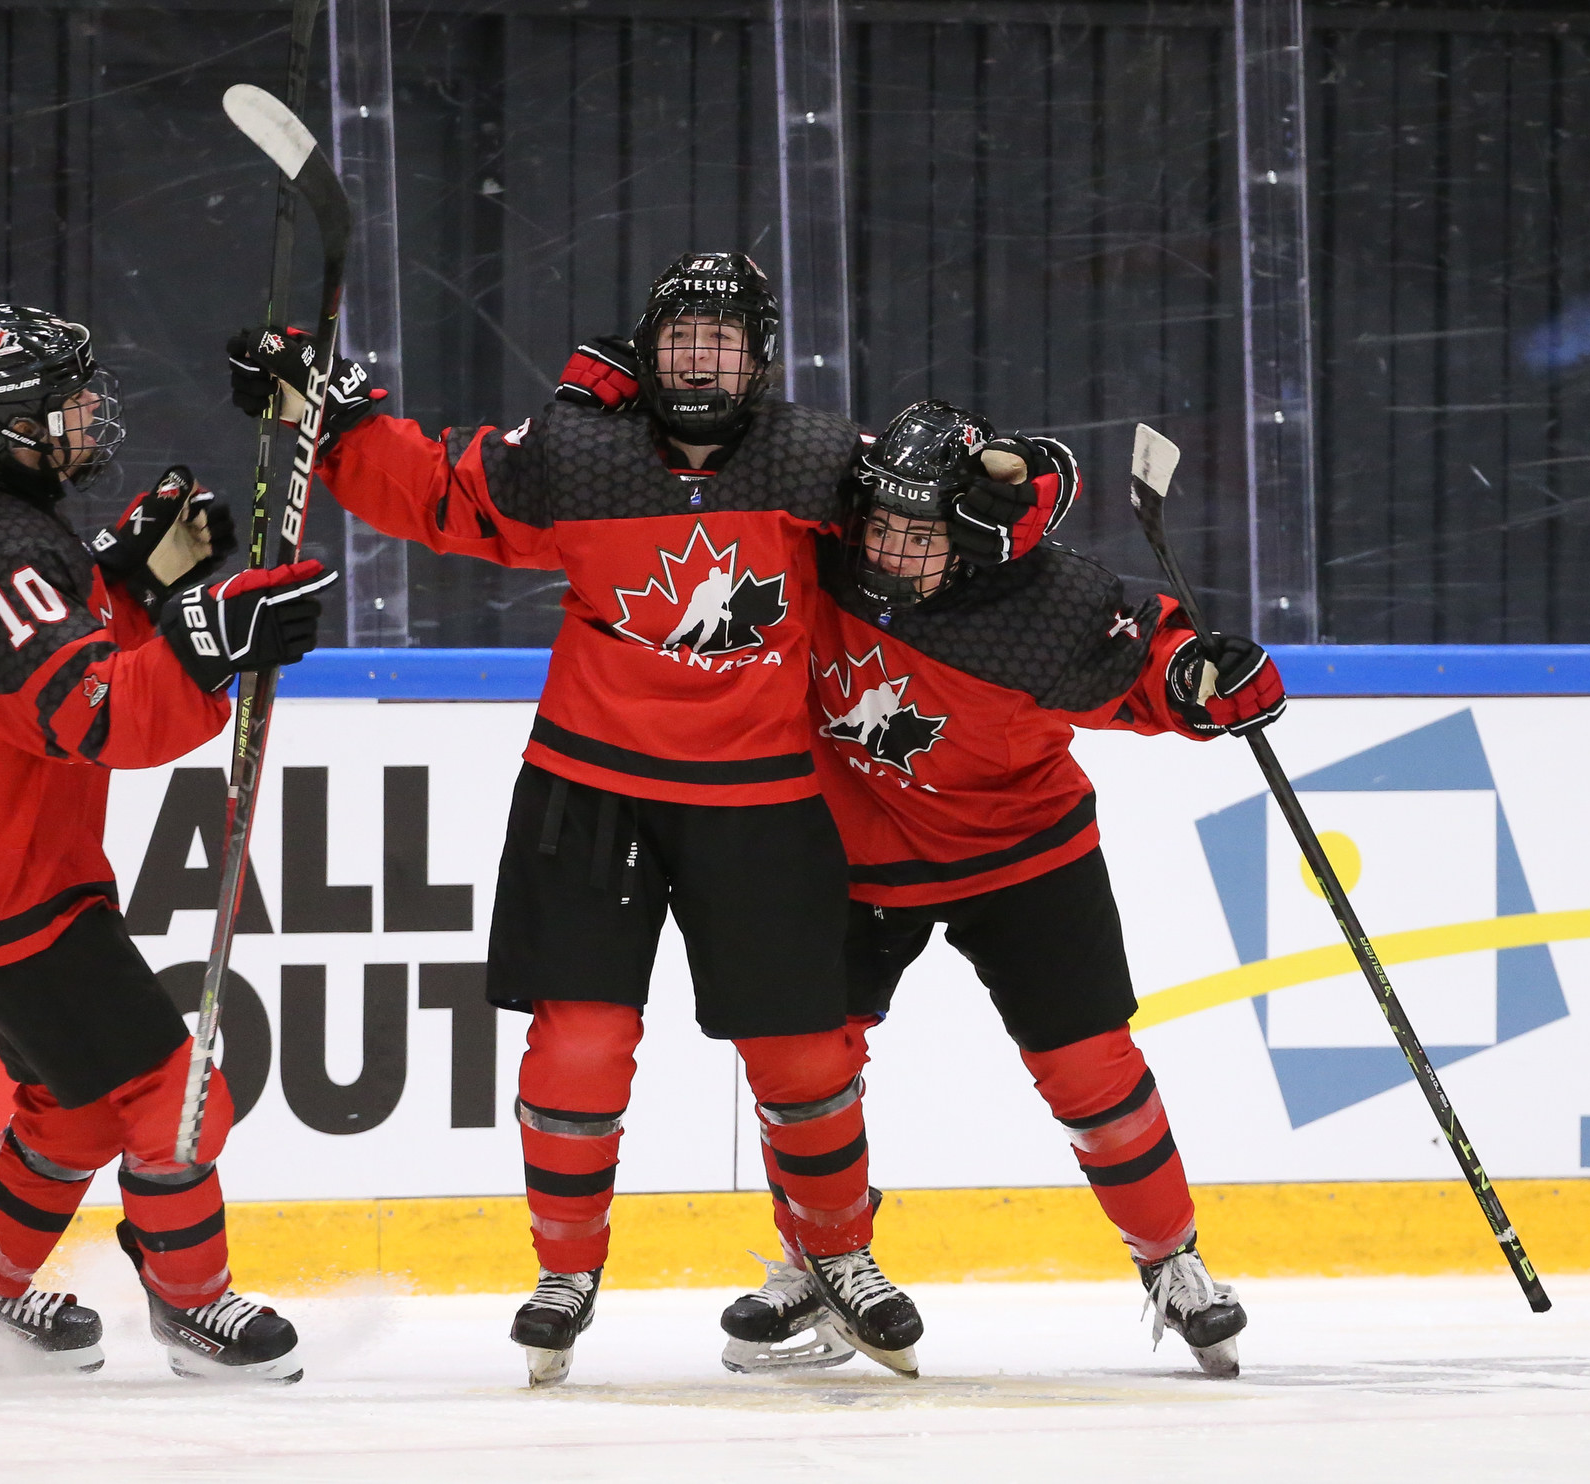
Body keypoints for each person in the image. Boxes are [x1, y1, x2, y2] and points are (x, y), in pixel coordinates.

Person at [227, 254, 922, 1384]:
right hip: (589, 786)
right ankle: (564, 1268)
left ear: (759, 356)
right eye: (681, 338)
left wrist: (1013, 492)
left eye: (723, 341)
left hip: (762, 793)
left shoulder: (821, 462)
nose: (699, 358)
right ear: (646, 353)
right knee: (579, 1047)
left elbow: (933, 539)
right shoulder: (577, 454)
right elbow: (440, 492)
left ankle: (840, 1254)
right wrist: (331, 414)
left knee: (802, 1051)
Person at [713, 399, 1278, 1378]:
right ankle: (818, 1256)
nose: (890, 551)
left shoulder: (1044, 603)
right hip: (854, 856)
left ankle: (1172, 1259)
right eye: (879, 525)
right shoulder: (814, 555)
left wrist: (1203, 679)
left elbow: (1148, 664)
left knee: (1089, 1069)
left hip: (1024, 853)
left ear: (970, 535)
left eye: (919, 533)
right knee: (807, 1068)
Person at [0, 303, 332, 1380]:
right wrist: (208, 639)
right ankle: (192, 1305)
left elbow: (64, 660)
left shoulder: (8, 523)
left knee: (77, 1101)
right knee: (172, 1090)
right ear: (15, 422)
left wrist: (130, 585)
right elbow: (91, 714)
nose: (89, 413)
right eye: (68, 400)